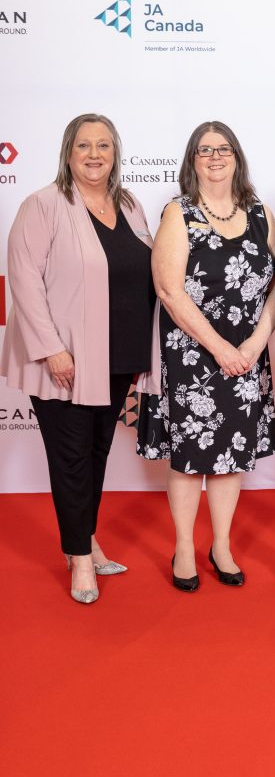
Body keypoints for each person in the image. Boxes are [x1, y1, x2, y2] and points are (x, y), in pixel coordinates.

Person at [0, 114, 155, 604]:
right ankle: (81, 560)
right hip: (63, 359)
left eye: (103, 145)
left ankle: (84, 540)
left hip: (117, 356)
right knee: (70, 459)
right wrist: (52, 349)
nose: (94, 154)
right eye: (84, 145)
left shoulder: (128, 204)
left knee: (96, 453)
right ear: (68, 152)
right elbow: (23, 281)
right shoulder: (43, 205)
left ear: (115, 153)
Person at [137, 122, 275, 592]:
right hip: (191, 354)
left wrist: (254, 345)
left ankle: (221, 545)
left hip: (247, 353)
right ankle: (183, 547)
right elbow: (169, 291)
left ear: (236, 156)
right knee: (190, 456)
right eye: (204, 150)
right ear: (192, 160)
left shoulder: (260, 213)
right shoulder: (179, 212)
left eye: (223, 149)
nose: (215, 157)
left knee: (231, 454)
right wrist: (219, 348)